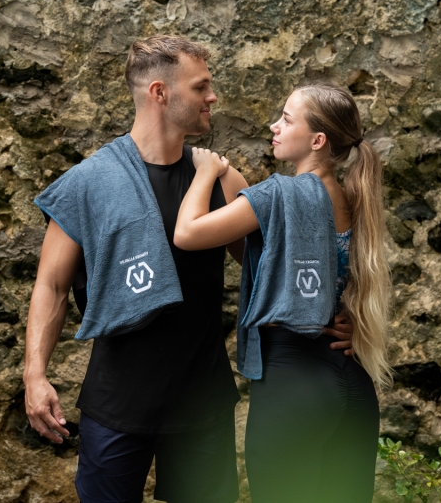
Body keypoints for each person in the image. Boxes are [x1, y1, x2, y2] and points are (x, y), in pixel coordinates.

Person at [23, 36, 353, 503]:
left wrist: (340, 314)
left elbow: (274, 267)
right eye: (201, 87)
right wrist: (34, 375)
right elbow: (51, 286)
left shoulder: (222, 180)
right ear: (160, 93)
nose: (212, 97)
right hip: (117, 405)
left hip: (202, 403)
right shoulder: (88, 183)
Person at [173, 83, 393, 503]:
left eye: (287, 119)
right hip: (351, 382)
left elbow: (187, 234)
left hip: (294, 385)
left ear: (317, 140)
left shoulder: (279, 193)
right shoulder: (351, 198)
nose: (274, 126)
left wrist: (204, 173)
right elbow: (281, 268)